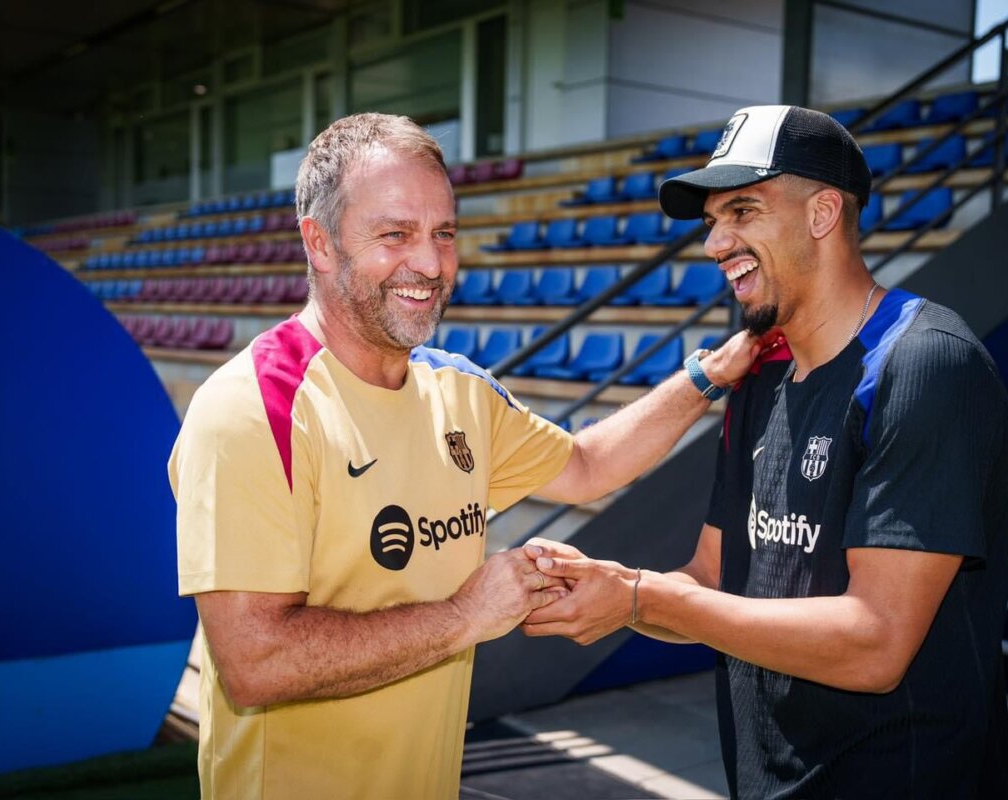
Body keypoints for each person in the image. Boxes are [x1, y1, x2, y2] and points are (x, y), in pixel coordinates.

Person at [168, 112, 760, 799]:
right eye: (395, 235)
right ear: (320, 243)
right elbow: (255, 661)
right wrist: (466, 615)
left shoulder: (460, 391)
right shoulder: (251, 410)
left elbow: (590, 466)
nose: (429, 263)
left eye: (443, 233)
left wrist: (707, 376)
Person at [522, 105, 1008, 799]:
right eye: (711, 222)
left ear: (822, 213)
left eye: (743, 211)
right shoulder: (757, 378)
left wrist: (641, 597)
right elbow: (711, 577)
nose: (714, 243)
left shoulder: (926, 366)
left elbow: (875, 643)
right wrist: (612, 588)